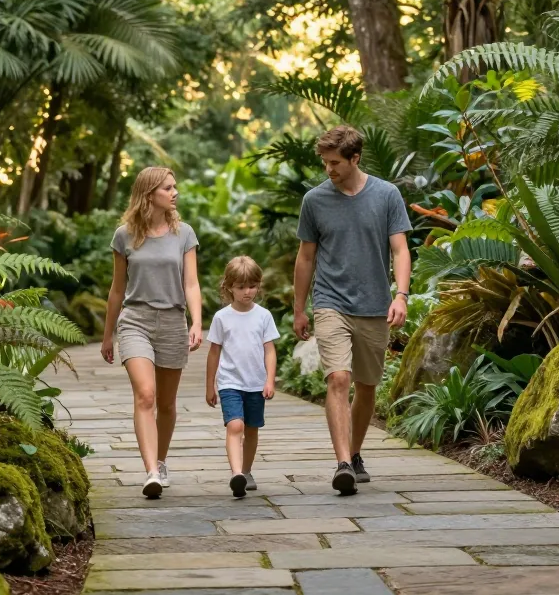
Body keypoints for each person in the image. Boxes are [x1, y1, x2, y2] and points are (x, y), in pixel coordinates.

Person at [293, 125, 412, 495]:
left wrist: (402, 295)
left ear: (355, 158)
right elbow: (306, 257)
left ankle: (356, 452)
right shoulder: (315, 201)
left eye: (335, 163)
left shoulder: (387, 195)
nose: (329, 170)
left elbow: (400, 250)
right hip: (331, 302)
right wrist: (300, 308)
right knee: (338, 379)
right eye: (325, 163)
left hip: (375, 304)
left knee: (367, 386)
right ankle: (343, 462)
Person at [101, 167, 203, 498]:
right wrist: (107, 336)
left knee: (167, 403)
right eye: (168, 188)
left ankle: (161, 460)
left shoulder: (184, 233)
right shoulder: (124, 235)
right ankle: (151, 472)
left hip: (173, 321)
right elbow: (117, 290)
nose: (175, 193)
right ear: (149, 194)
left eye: (175, 187)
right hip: (135, 321)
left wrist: (197, 322)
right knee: (146, 394)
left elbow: (191, 283)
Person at [205, 256, 279, 497]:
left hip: (256, 383)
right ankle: (236, 473)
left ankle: (246, 471)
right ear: (229, 287)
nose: (248, 292)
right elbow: (214, 352)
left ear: (259, 286)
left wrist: (269, 380)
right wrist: (210, 385)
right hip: (230, 382)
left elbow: (269, 350)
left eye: (252, 286)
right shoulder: (222, 318)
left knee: (252, 428)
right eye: (241, 287)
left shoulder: (264, 316)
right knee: (235, 425)